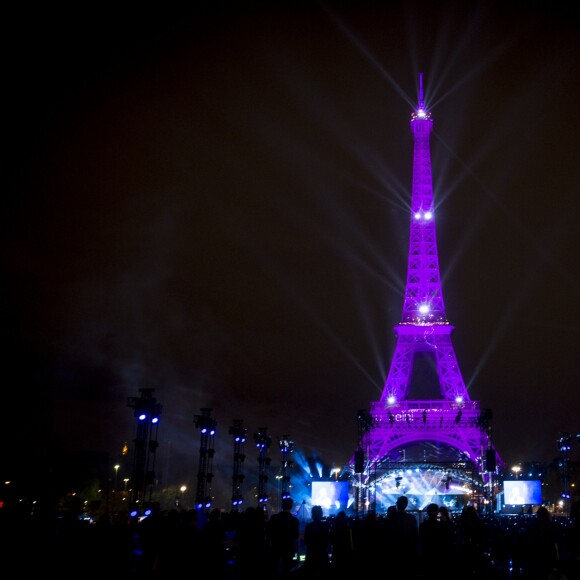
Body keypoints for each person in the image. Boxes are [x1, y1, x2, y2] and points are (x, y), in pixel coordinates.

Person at [267, 497, 300, 579]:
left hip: (276, 547)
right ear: (291, 506)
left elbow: (269, 533)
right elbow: (296, 536)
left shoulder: (274, 518)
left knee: (274, 569)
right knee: (287, 569)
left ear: (282, 506)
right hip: (288, 548)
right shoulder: (294, 520)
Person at [303, 505, 330, 577]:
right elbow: (328, 540)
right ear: (321, 514)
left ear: (312, 514)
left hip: (311, 556)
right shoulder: (325, 526)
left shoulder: (309, 526)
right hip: (322, 556)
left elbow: (306, 541)